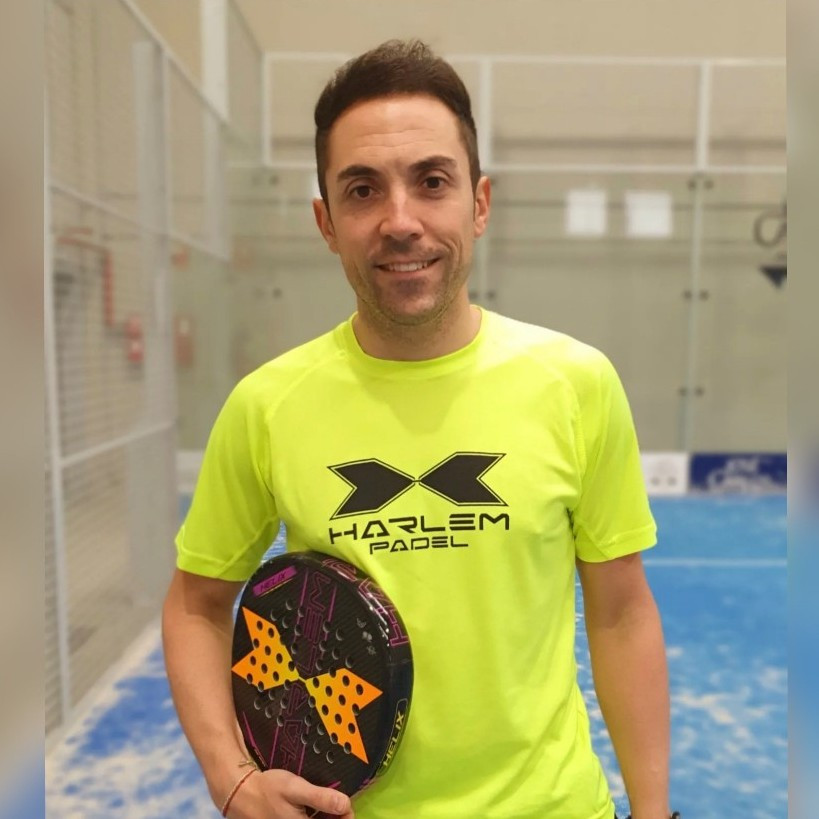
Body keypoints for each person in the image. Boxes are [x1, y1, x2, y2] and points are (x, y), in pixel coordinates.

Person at [163, 39, 673, 819]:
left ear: (479, 203)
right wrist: (231, 778)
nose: (400, 221)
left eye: (431, 182)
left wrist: (655, 810)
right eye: (362, 189)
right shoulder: (266, 404)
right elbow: (196, 604)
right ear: (326, 222)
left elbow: (620, 612)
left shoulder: (575, 383)